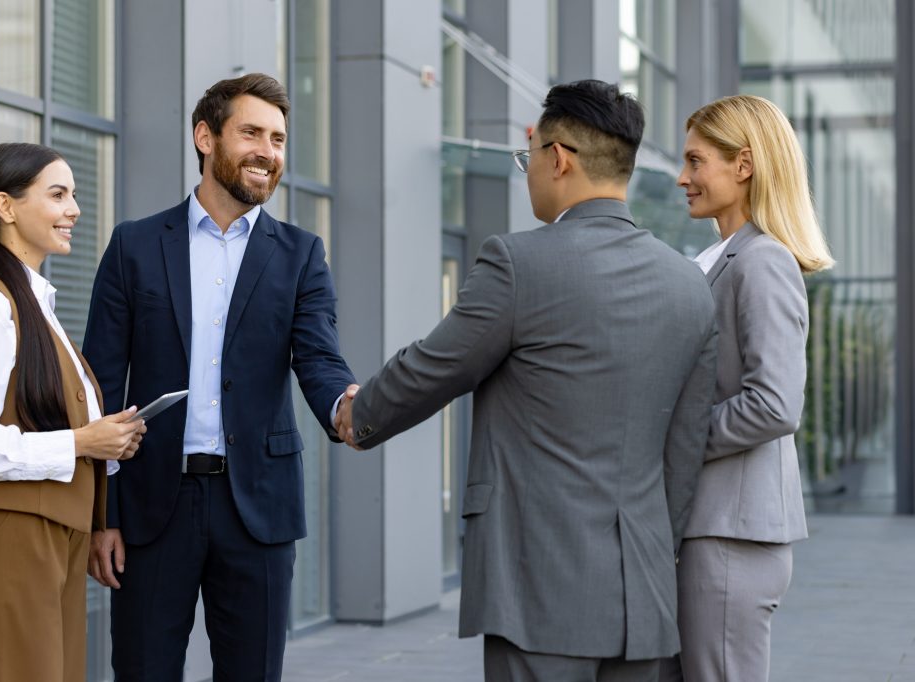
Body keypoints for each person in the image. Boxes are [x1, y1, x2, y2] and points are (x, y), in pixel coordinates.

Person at [335, 79, 718, 682]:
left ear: (559, 157)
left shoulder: (520, 263)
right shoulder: (689, 284)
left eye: (529, 155)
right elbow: (685, 449)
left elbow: (439, 364)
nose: (529, 170)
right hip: (644, 597)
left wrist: (359, 415)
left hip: (537, 589)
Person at [82, 73, 357, 681]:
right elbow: (97, 386)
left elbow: (319, 358)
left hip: (257, 508)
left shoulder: (301, 253)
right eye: (252, 132)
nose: (269, 151)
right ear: (206, 137)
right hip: (153, 508)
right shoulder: (134, 245)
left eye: (280, 139)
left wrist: (346, 404)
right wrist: (103, 515)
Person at [0, 142, 146, 682]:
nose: (74, 208)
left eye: (73, 194)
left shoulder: (35, 304)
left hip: (54, 536)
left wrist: (108, 442)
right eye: (58, 195)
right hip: (13, 538)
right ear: (6, 206)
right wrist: (81, 443)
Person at [659, 95, 834, 682]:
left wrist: (674, 441)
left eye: (695, 161)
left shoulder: (763, 261)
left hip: (730, 534)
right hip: (713, 528)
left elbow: (774, 404)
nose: (683, 178)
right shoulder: (718, 258)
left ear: (744, 164)